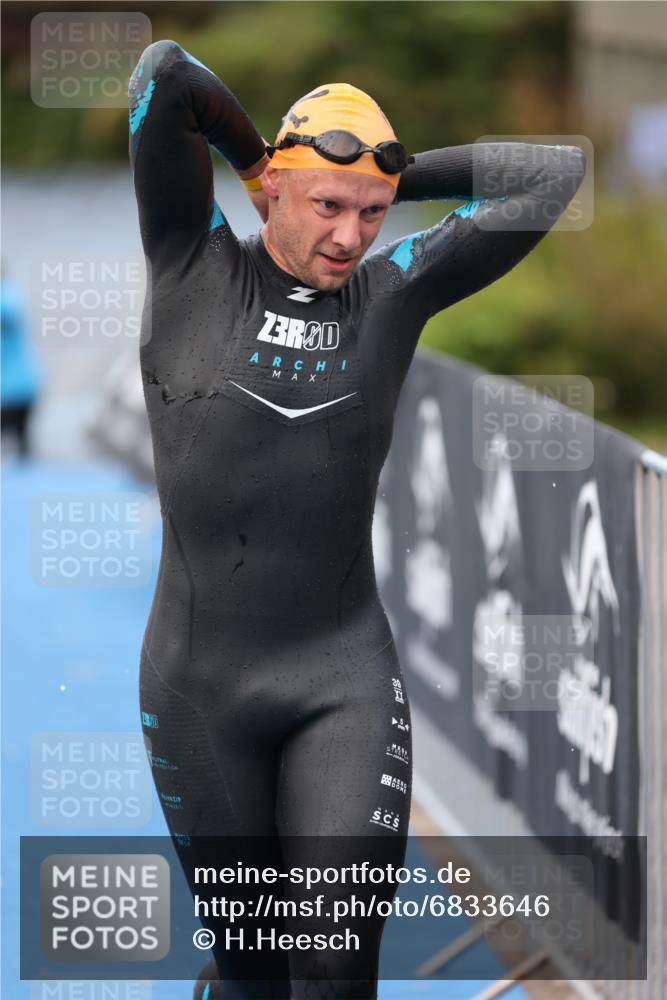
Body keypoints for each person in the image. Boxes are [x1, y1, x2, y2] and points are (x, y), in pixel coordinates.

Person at [128, 40, 586, 1000]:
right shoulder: (189, 263)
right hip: (200, 688)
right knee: (257, 977)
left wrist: (400, 169)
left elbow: (557, 173)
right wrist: (256, 158)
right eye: (325, 205)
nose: (349, 236)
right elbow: (165, 77)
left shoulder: (396, 290)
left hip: (342, 682)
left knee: (333, 973)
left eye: (372, 215)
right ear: (275, 194)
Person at [1, 265, 42, 458]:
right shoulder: (13, 294)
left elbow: (8, 315)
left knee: (20, 443)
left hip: (14, 389)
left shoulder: (8, 298)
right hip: (21, 385)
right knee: (22, 446)